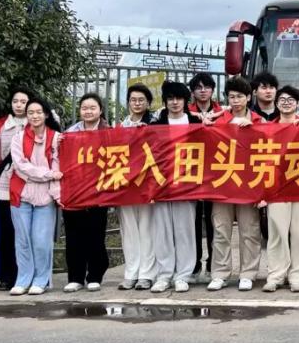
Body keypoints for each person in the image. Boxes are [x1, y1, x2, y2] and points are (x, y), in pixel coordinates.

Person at [207, 76, 264, 292]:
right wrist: (206, 126)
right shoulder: (217, 121)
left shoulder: (259, 121)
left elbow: (269, 150)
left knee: (249, 231)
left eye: (240, 96)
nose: (236, 101)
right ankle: (220, 273)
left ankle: (248, 274)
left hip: (249, 185)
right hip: (222, 184)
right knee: (221, 230)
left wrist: (254, 130)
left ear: (249, 97)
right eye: (232, 97)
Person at [150, 80, 201, 293]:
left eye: (179, 98)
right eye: (170, 98)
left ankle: (183, 275)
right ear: (165, 101)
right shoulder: (155, 126)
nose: (174, 102)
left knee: (184, 231)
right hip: (161, 185)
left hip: (187, 185)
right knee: (162, 231)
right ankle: (164, 275)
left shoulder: (196, 124)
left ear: (186, 101)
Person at [8, 95, 61, 296]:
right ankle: (23, 280)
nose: (34, 116)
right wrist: (47, 174)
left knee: (41, 240)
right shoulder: (18, 138)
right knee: (22, 240)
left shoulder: (56, 137)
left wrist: (53, 185)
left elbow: (58, 166)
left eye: (39, 112)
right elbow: (20, 166)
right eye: (30, 112)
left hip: (46, 196)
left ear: (46, 114)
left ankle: (41, 280)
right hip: (20, 194)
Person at [264, 85, 299, 292]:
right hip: (276, 188)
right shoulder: (267, 128)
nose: (286, 103)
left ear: (297, 103)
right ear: (276, 104)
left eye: (290, 100)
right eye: (282, 100)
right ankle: (276, 275)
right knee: (277, 232)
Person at [0, 86, 31, 290]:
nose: (19, 105)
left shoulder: (37, 123)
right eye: (15, 101)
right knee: (8, 231)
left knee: (28, 231)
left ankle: (28, 274)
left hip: (31, 184)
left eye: (23, 102)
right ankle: (7, 276)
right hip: (5, 184)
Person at [62, 93, 111, 292]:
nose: (88, 111)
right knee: (74, 235)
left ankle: (95, 275)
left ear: (100, 110)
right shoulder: (69, 134)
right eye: (84, 108)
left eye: (92, 108)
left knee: (95, 234)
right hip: (75, 191)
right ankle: (75, 277)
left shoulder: (110, 133)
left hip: (99, 191)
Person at [117, 83, 157, 290]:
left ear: (148, 103)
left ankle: (147, 273)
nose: (137, 103)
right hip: (125, 184)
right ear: (128, 103)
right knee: (129, 229)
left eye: (141, 100)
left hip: (147, 184)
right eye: (133, 100)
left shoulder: (156, 124)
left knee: (147, 229)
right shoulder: (120, 126)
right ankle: (131, 272)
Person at [187, 72, 221, 283]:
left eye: (206, 87)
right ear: (192, 92)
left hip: (216, 171)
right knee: (193, 222)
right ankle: (194, 265)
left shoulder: (221, 113)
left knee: (213, 221)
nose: (202, 91)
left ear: (212, 90)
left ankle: (212, 265)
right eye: (198, 87)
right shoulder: (185, 112)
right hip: (191, 171)